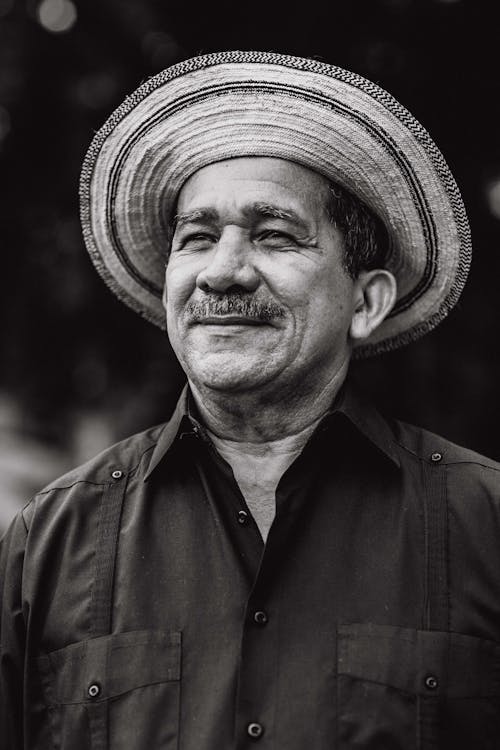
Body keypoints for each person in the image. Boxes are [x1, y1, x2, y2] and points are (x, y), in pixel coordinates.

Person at [1, 51, 499, 750]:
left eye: (273, 235)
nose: (223, 272)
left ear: (366, 300)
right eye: (197, 238)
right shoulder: (48, 543)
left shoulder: (483, 526)